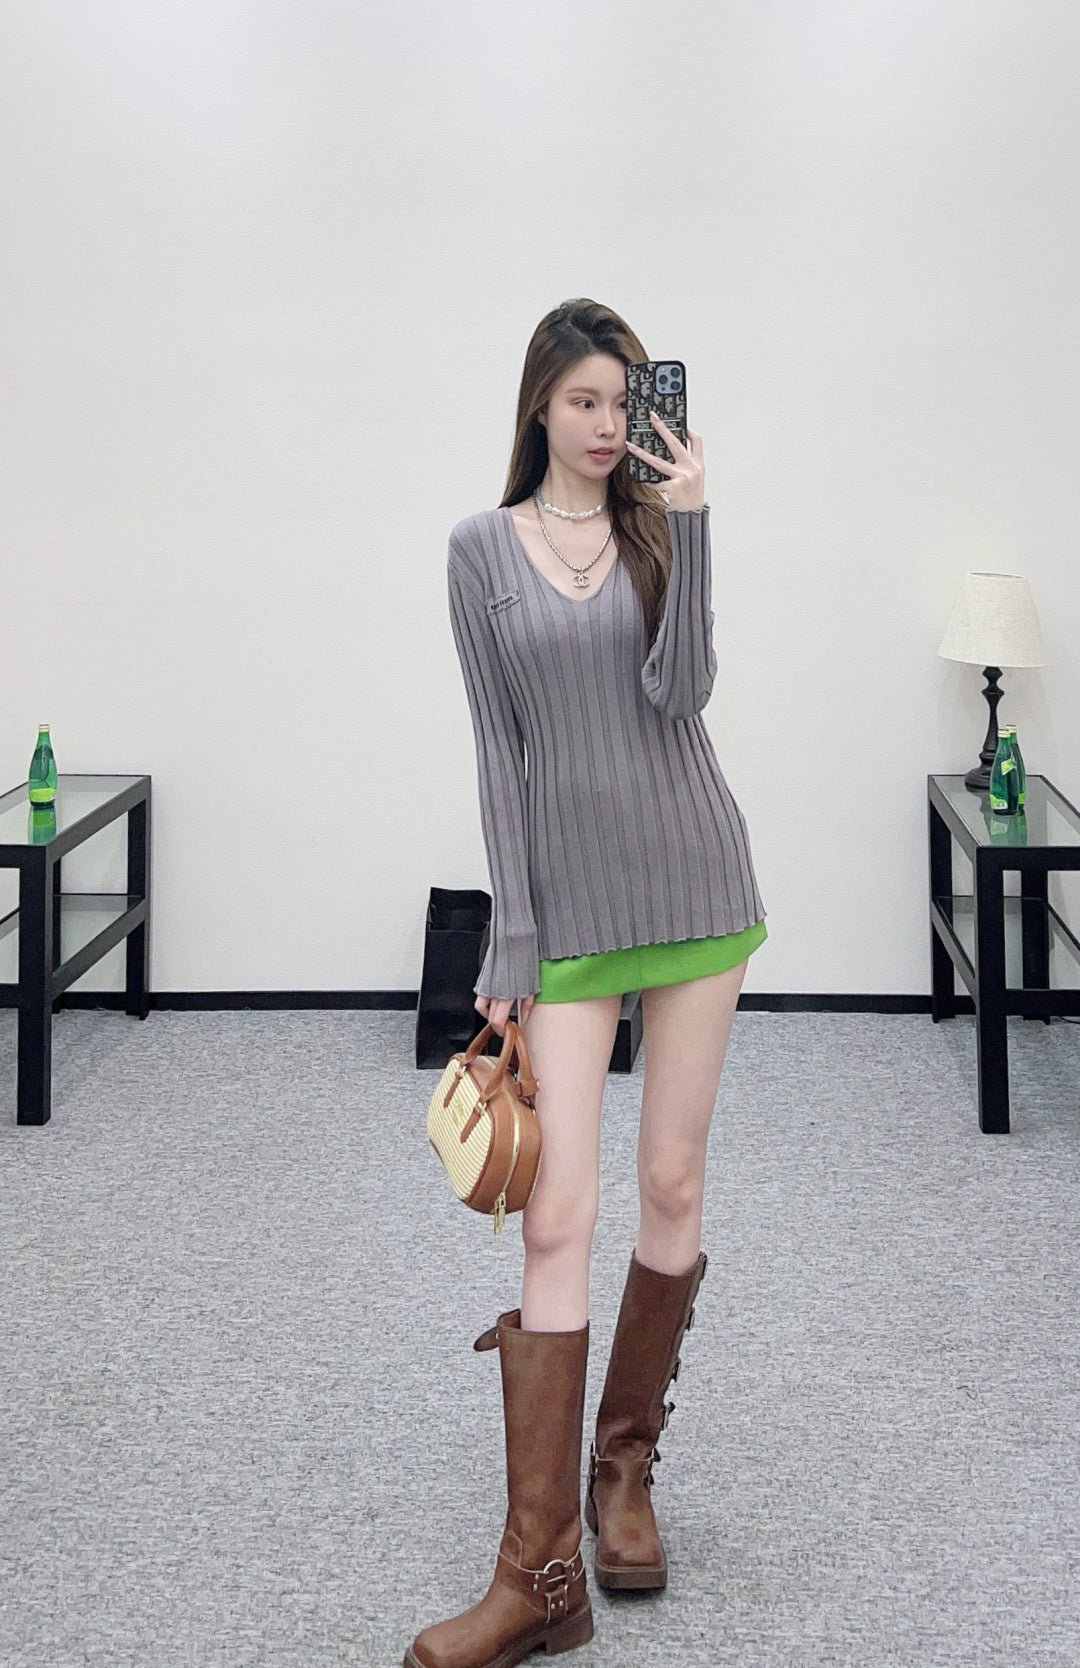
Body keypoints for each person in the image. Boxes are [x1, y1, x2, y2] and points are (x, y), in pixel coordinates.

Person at [404, 298, 768, 1668]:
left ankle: (624, 1473)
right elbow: (498, 753)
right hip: (568, 914)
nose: (612, 425)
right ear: (541, 408)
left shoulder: (654, 529)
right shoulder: (479, 552)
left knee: (671, 1183)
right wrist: (510, 941)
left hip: (697, 888)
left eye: (627, 402)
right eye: (587, 402)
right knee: (555, 1210)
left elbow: (683, 695)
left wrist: (695, 519)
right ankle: (540, 1573)